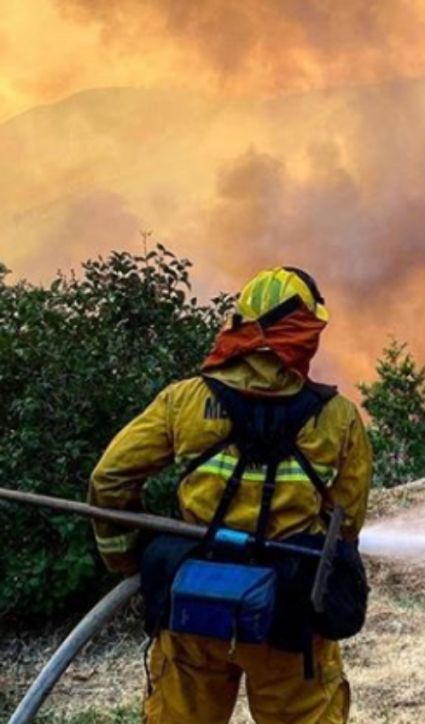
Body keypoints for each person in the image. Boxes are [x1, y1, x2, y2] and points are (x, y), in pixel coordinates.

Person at [89, 267, 372, 723]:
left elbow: (110, 479)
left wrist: (128, 558)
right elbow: (348, 521)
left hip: (194, 606)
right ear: (304, 335)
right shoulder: (338, 418)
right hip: (289, 617)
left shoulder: (183, 401)